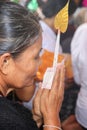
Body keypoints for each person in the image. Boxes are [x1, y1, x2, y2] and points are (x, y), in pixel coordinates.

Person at [0, 1, 65, 130]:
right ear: (5, 62)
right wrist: (52, 120)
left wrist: (36, 117)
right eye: (35, 56)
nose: (40, 62)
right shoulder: (7, 120)